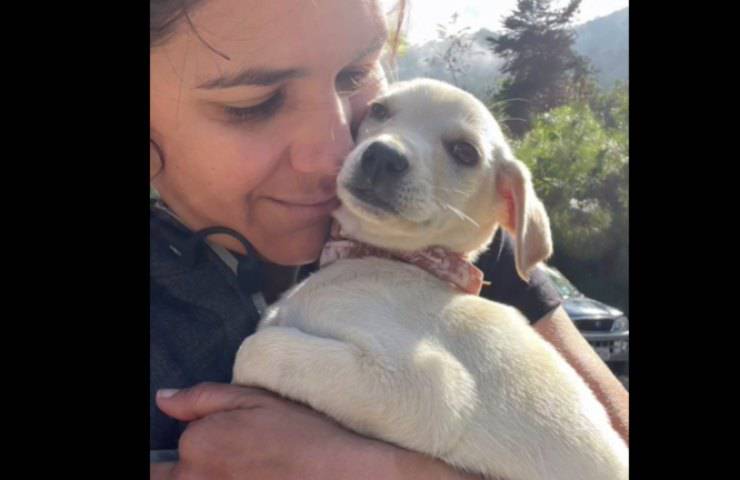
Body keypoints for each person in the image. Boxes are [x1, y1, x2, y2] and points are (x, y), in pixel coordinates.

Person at [149, 0, 629, 478]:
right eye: (253, 104)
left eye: (355, 75)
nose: (343, 148)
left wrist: (372, 468)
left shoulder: (447, 238)